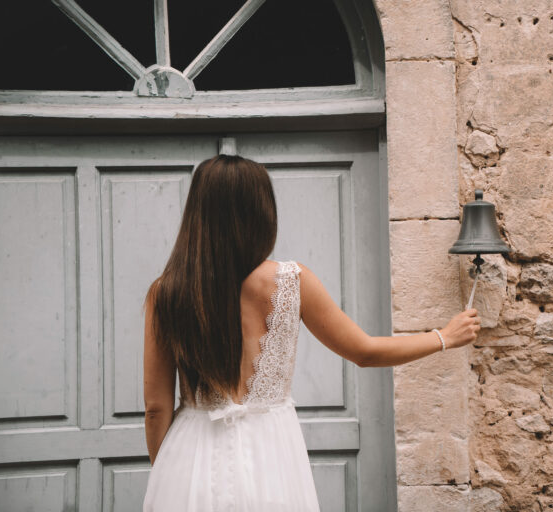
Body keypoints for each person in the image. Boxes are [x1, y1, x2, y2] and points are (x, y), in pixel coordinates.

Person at [142, 154, 482, 511]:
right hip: (271, 456)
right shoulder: (291, 280)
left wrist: (168, 472)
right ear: (260, 212)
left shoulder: (166, 292)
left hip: (190, 457)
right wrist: (444, 336)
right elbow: (364, 351)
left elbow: (155, 408)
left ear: (197, 214)